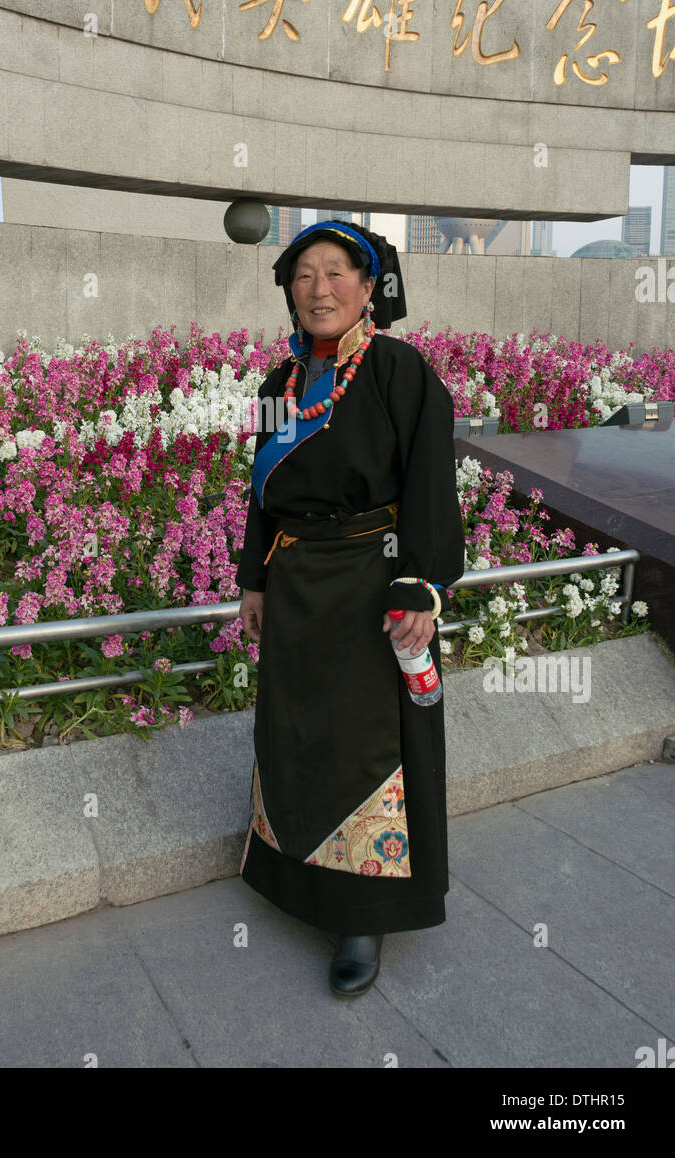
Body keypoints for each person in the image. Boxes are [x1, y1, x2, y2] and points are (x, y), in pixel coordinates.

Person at [235, 219, 466, 998]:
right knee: (296, 729)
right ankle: (292, 875)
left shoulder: (401, 371)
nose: (319, 287)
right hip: (295, 580)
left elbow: (432, 484)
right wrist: (253, 581)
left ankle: (362, 911)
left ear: (370, 289)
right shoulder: (278, 387)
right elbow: (262, 492)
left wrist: (419, 585)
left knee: (365, 744)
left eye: (337, 273)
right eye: (304, 274)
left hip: (375, 582)